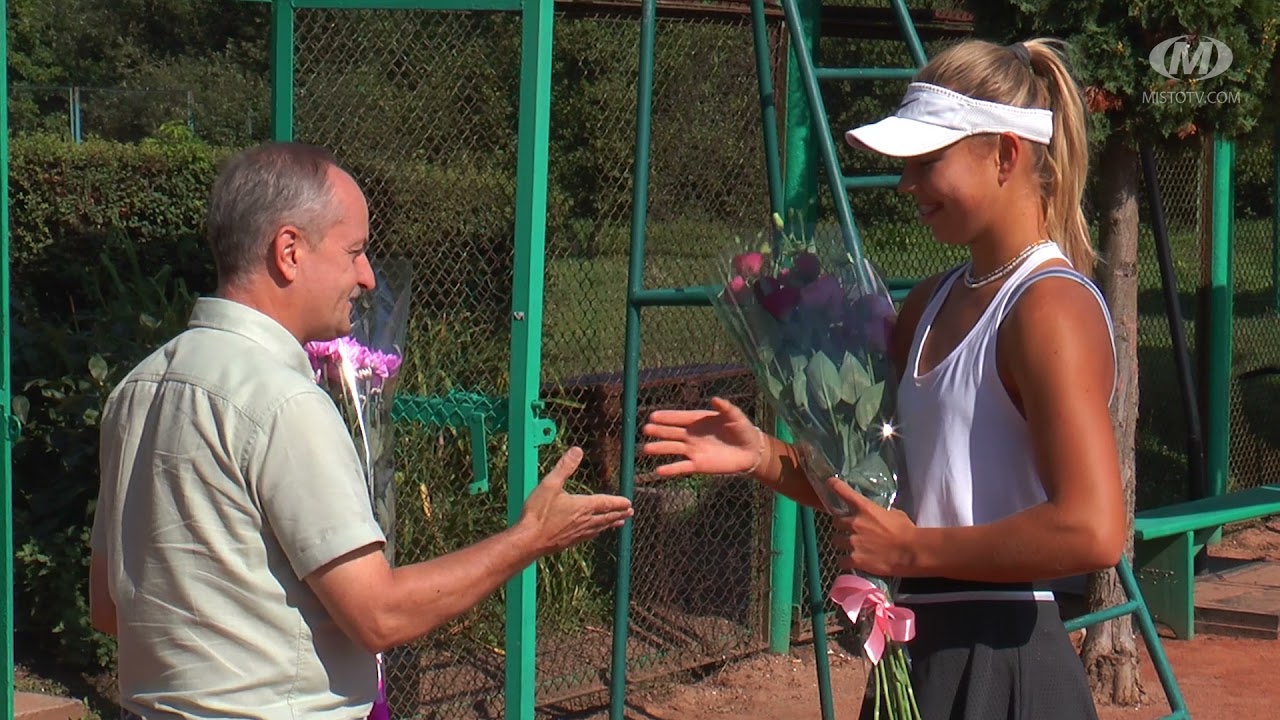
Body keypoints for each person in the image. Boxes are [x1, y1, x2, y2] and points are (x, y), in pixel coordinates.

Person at [641, 37, 1124, 720]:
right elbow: (889, 488)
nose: (905, 185)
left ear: (1007, 155)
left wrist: (916, 550)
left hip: (1007, 665)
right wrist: (766, 458)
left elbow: (1093, 530)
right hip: (915, 655)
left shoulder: (1052, 307)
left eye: (927, 162)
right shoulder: (929, 302)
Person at [89, 142, 634, 720]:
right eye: (355, 252)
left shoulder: (136, 391)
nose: (368, 277)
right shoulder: (284, 402)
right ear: (289, 251)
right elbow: (379, 616)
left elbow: (107, 608)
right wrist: (530, 538)